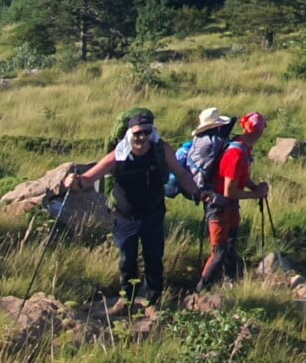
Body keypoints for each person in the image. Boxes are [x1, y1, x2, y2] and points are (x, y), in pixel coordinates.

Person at [74, 109, 206, 309]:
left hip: (152, 213)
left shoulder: (162, 150)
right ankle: (127, 299)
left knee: (154, 257)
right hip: (124, 216)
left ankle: (154, 301)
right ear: (130, 134)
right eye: (137, 133)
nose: (142, 137)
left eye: (146, 132)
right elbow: (88, 179)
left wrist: (197, 193)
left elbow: (181, 173)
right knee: (127, 258)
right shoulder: (117, 156)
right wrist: (72, 182)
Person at [196, 110, 270, 292]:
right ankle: (200, 291)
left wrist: (254, 187)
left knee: (229, 248)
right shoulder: (236, 154)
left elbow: (238, 179)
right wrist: (255, 195)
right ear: (259, 131)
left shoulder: (241, 146)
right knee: (219, 253)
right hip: (219, 208)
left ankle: (230, 285)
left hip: (227, 208)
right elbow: (229, 191)